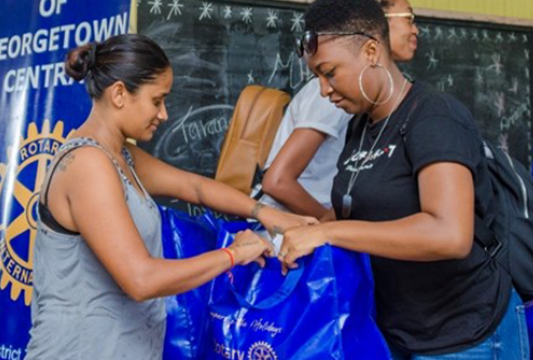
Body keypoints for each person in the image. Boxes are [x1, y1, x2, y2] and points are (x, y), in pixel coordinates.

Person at [25, 33, 317, 359]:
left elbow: (194, 187)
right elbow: (140, 279)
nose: (164, 114)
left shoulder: (120, 156)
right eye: (156, 100)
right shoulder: (88, 165)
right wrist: (233, 254)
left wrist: (265, 213)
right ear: (119, 93)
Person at [277, 0, 528, 359]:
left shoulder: (433, 116)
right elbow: (361, 211)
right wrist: (296, 235)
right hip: (397, 333)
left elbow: (450, 234)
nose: (324, 90)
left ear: (372, 52)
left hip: (464, 336)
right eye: (317, 77)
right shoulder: (359, 126)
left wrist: (329, 232)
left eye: (330, 73)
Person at [261, 0, 418, 218]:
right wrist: (331, 229)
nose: (415, 29)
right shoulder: (342, 88)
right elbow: (277, 180)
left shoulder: (372, 96)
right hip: (296, 232)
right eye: (408, 17)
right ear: (377, 20)